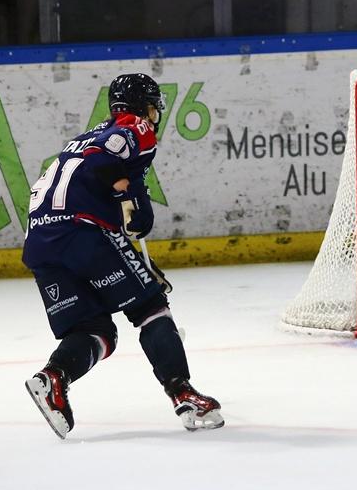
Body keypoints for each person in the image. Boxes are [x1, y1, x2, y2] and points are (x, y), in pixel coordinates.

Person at [22, 73, 222, 438]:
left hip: (40, 241)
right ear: (142, 106)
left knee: (96, 331)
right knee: (151, 307)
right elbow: (102, 161)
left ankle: (53, 378)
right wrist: (128, 198)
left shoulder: (83, 137)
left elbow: (98, 171)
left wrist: (130, 220)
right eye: (153, 106)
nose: (154, 114)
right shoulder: (135, 126)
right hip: (82, 233)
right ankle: (183, 394)